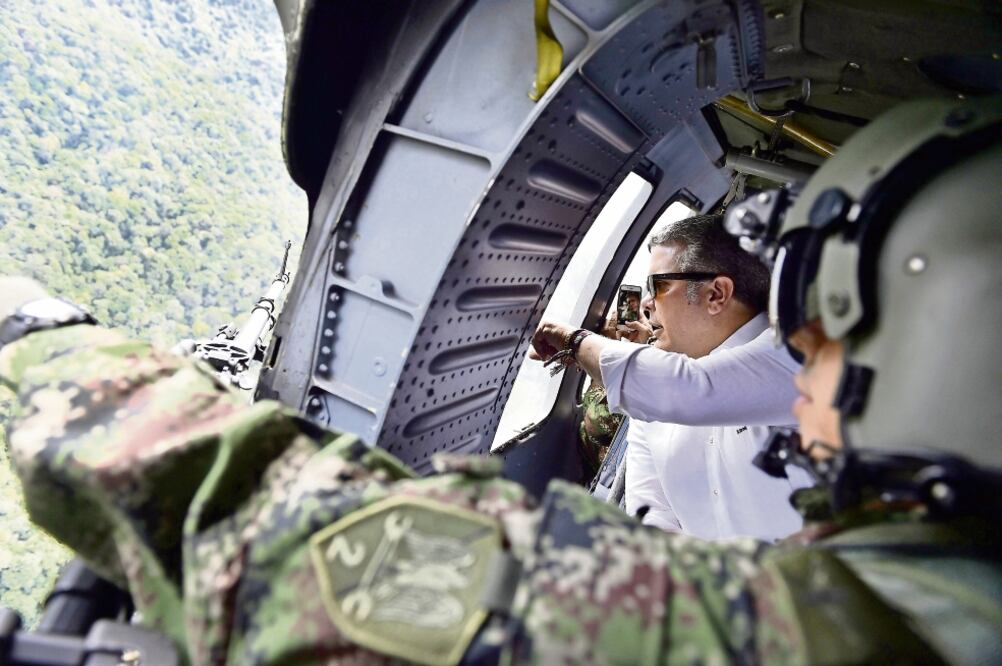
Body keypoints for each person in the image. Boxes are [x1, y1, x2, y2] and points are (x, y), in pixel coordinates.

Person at [2, 97, 1000, 665]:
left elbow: (306, 549)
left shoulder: (852, 637)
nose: (802, 366)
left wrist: (32, 341)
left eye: (823, 340)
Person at [533, 213, 812, 540]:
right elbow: (651, 512)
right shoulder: (653, 400)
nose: (647, 305)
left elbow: (694, 390)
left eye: (659, 286)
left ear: (716, 295)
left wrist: (577, 342)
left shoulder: (795, 356)